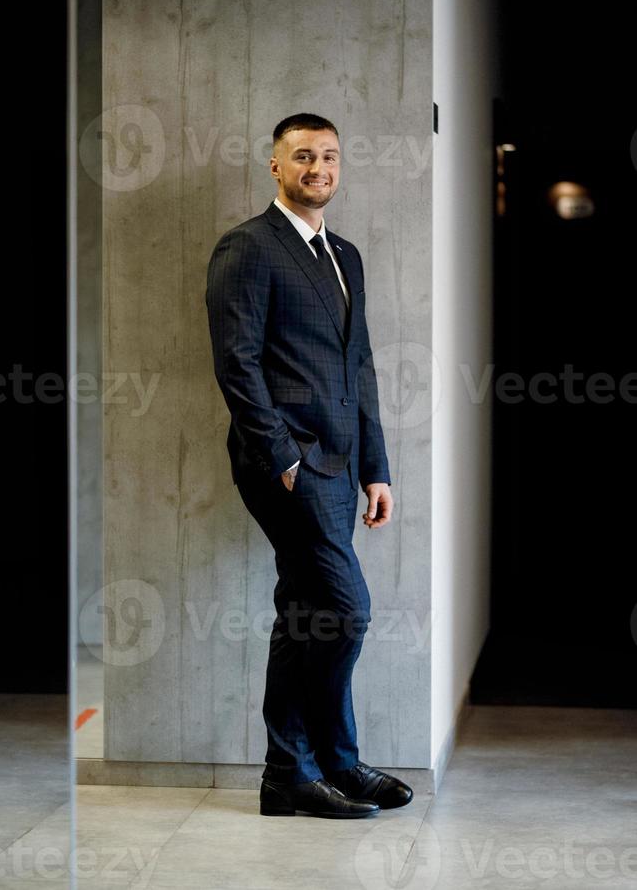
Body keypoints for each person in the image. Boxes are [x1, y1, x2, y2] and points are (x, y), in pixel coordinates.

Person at [206, 113, 413, 819]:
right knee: (345, 611)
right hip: (286, 463)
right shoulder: (248, 248)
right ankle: (313, 766)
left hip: (341, 460)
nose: (318, 168)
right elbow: (236, 364)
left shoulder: (344, 254)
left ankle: (306, 773)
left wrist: (376, 468)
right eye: (303, 157)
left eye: (328, 156)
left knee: (310, 615)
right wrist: (283, 456)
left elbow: (359, 364)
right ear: (275, 166)